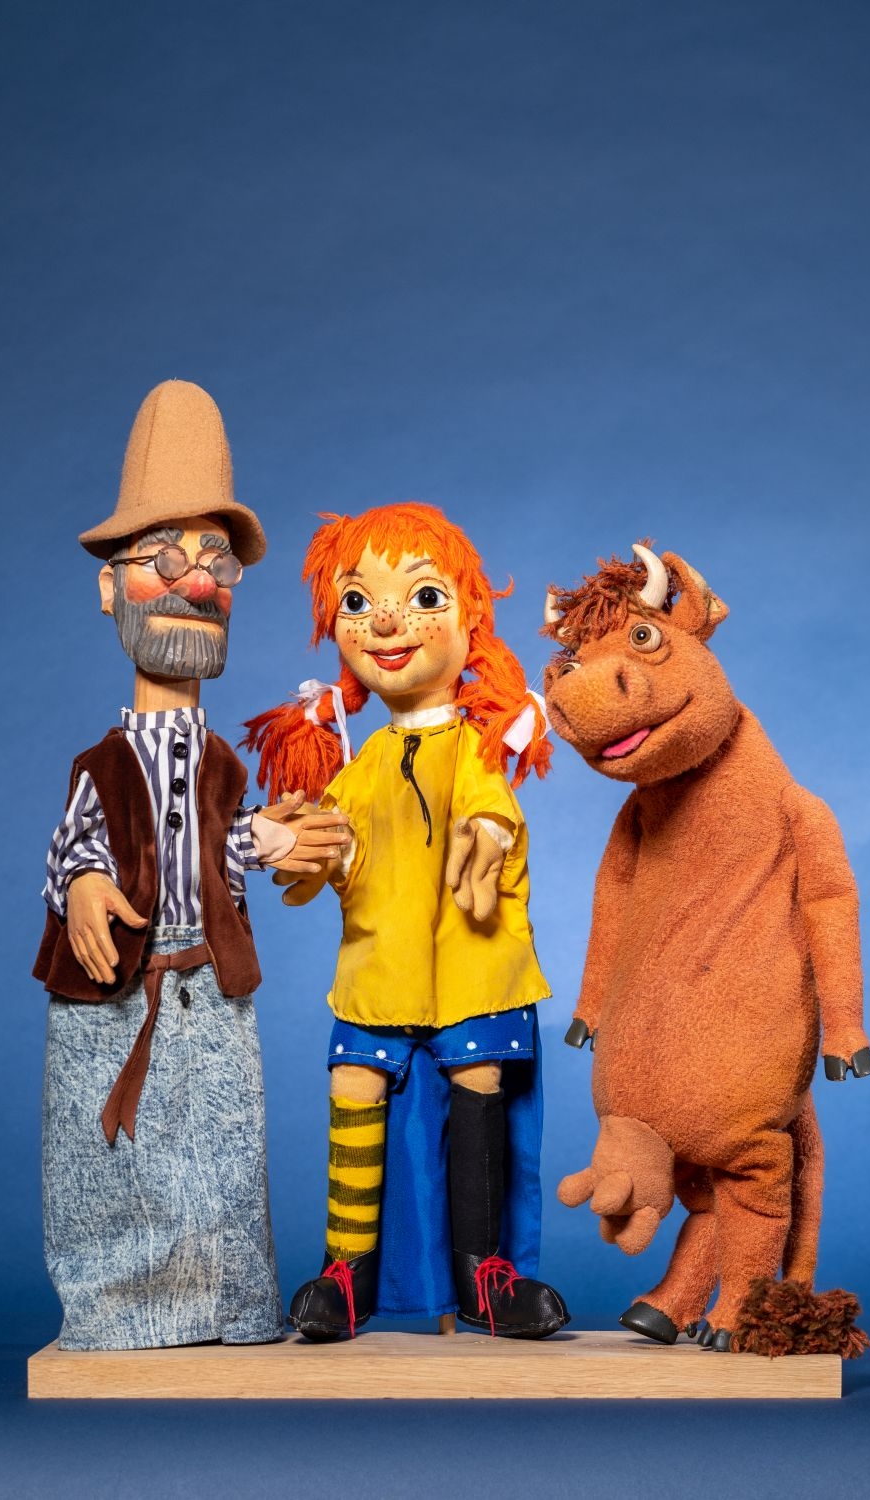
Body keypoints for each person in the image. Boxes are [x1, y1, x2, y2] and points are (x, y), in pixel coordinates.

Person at [34, 380, 349, 1350]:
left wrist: (273, 840)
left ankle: (228, 1306)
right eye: (164, 557)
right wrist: (84, 885)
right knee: (115, 1162)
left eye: (216, 561)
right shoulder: (101, 763)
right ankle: (118, 1312)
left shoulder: (221, 763)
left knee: (219, 1151)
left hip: (210, 987)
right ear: (109, 589)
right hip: (119, 990)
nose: (197, 583)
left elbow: (221, 845)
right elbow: (77, 841)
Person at [245, 502, 569, 1339]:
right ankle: (346, 1273)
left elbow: (494, 809)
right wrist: (295, 846)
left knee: (478, 1086)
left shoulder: (473, 748)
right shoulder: (361, 768)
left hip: (472, 970)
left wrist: (488, 835)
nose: (385, 622)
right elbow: (331, 853)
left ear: (471, 619)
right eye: (358, 602)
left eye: (423, 598)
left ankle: (486, 1275)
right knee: (354, 1086)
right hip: (379, 972)